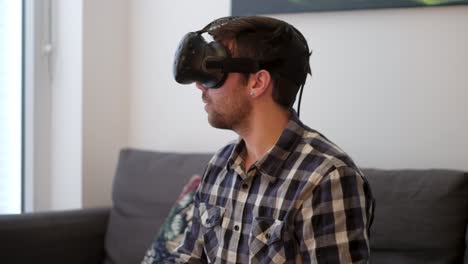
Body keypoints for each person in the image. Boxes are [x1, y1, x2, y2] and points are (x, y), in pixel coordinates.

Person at [169, 16, 374, 263]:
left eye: (214, 70)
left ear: (257, 82)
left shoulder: (327, 179)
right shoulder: (219, 166)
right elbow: (189, 257)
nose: (201, 86)